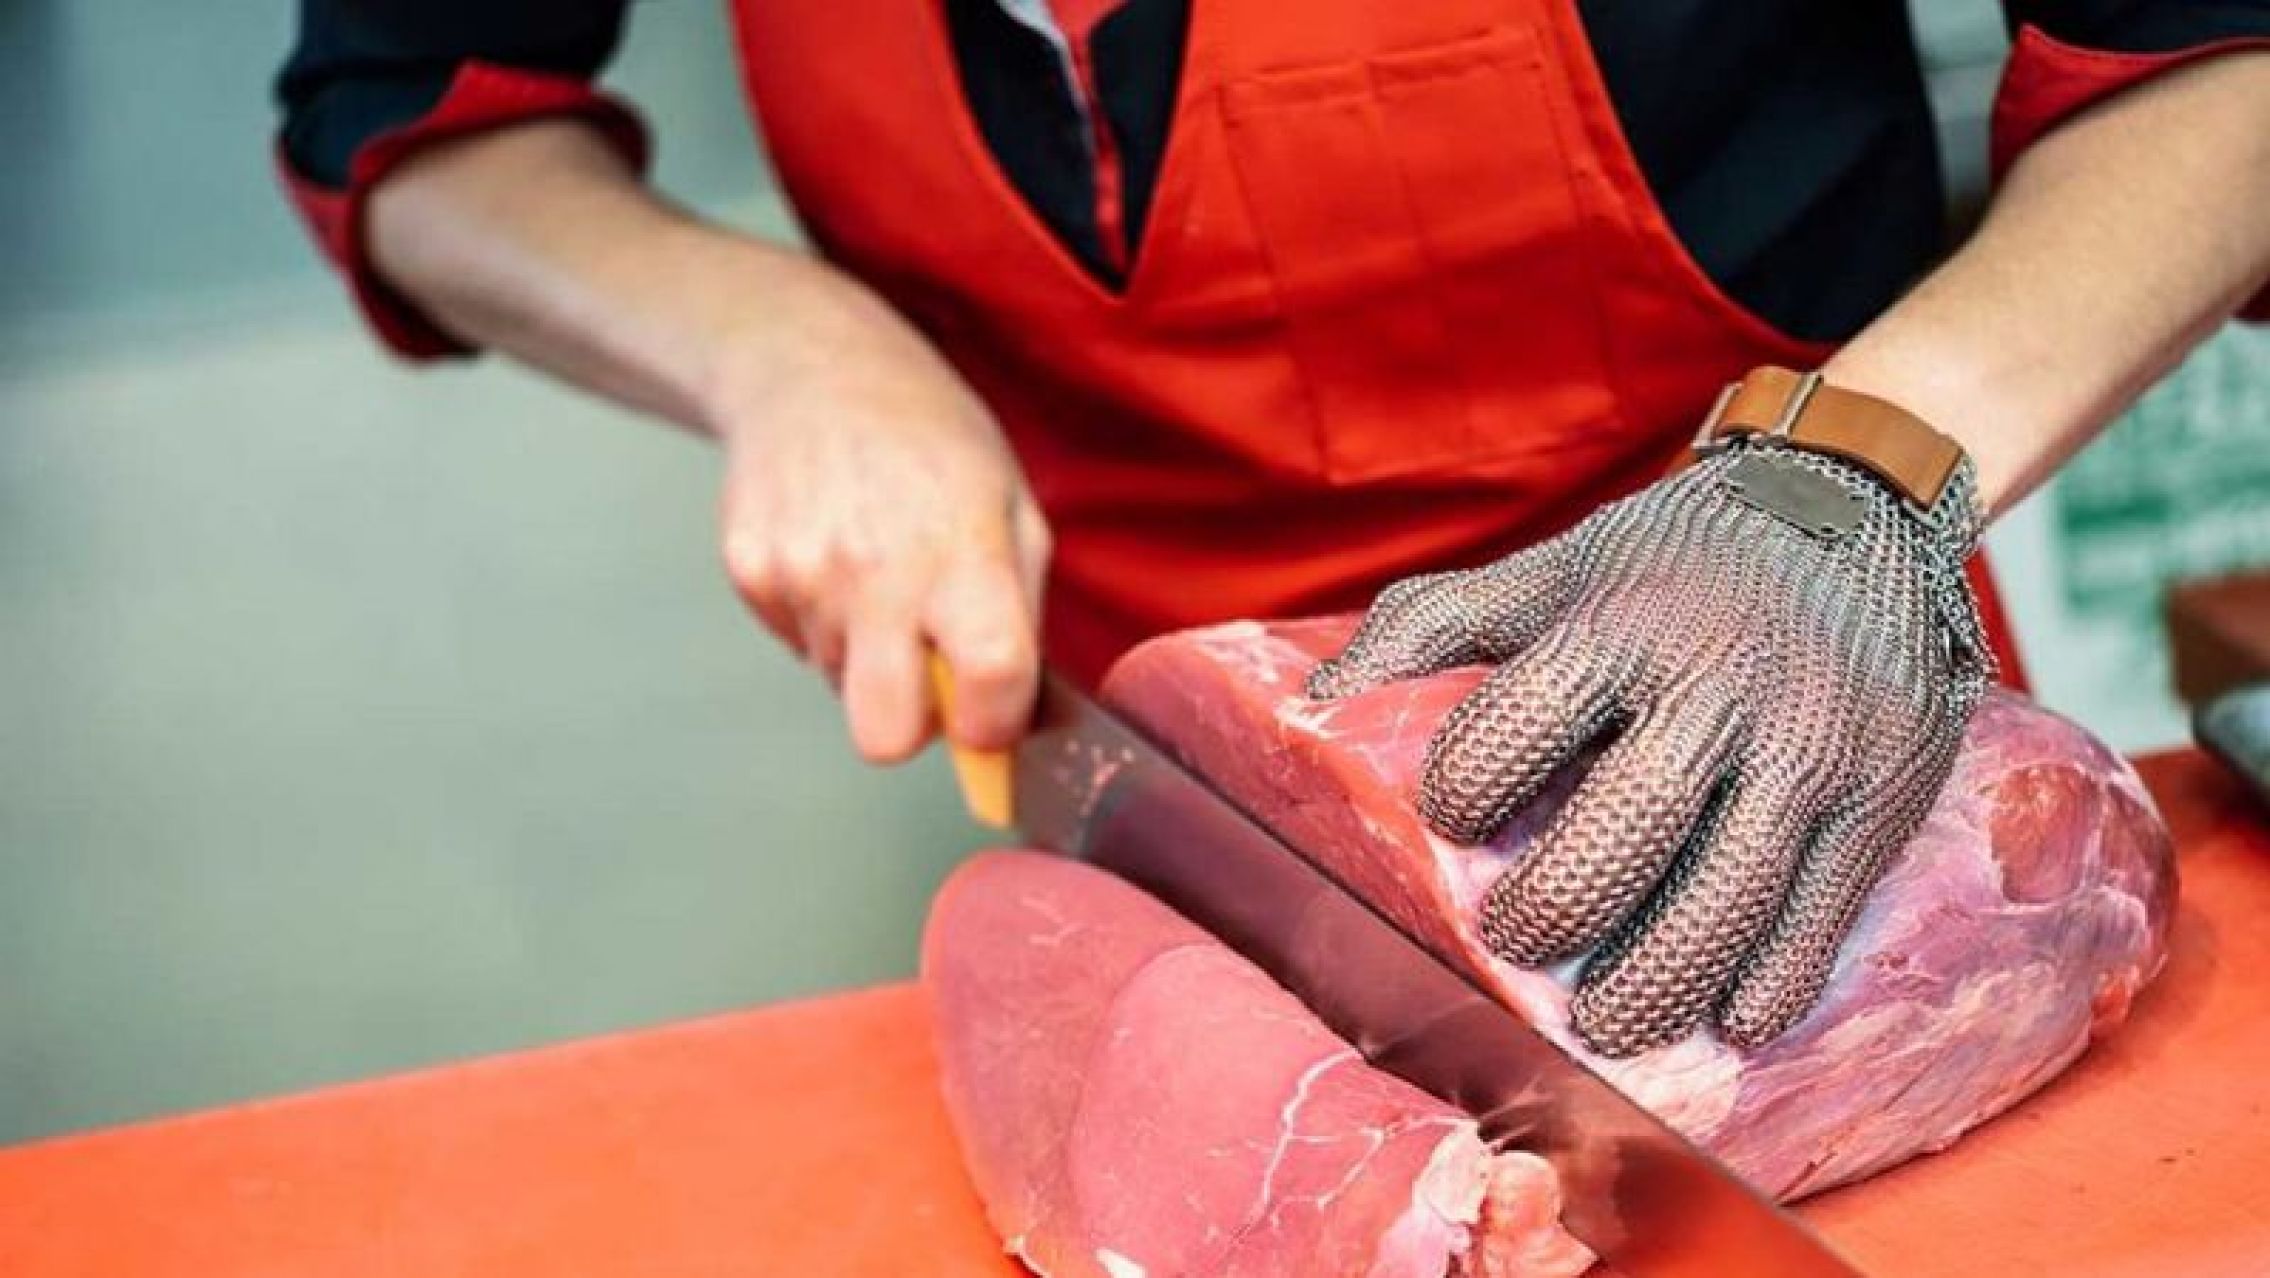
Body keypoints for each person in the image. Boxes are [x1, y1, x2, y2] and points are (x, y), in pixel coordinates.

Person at [272, 1, 2270, 1055]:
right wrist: (780, 347)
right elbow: (413, 113)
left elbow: (2216, 61)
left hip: (1782, 725)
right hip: (1162, 792)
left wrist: (1847, 479)